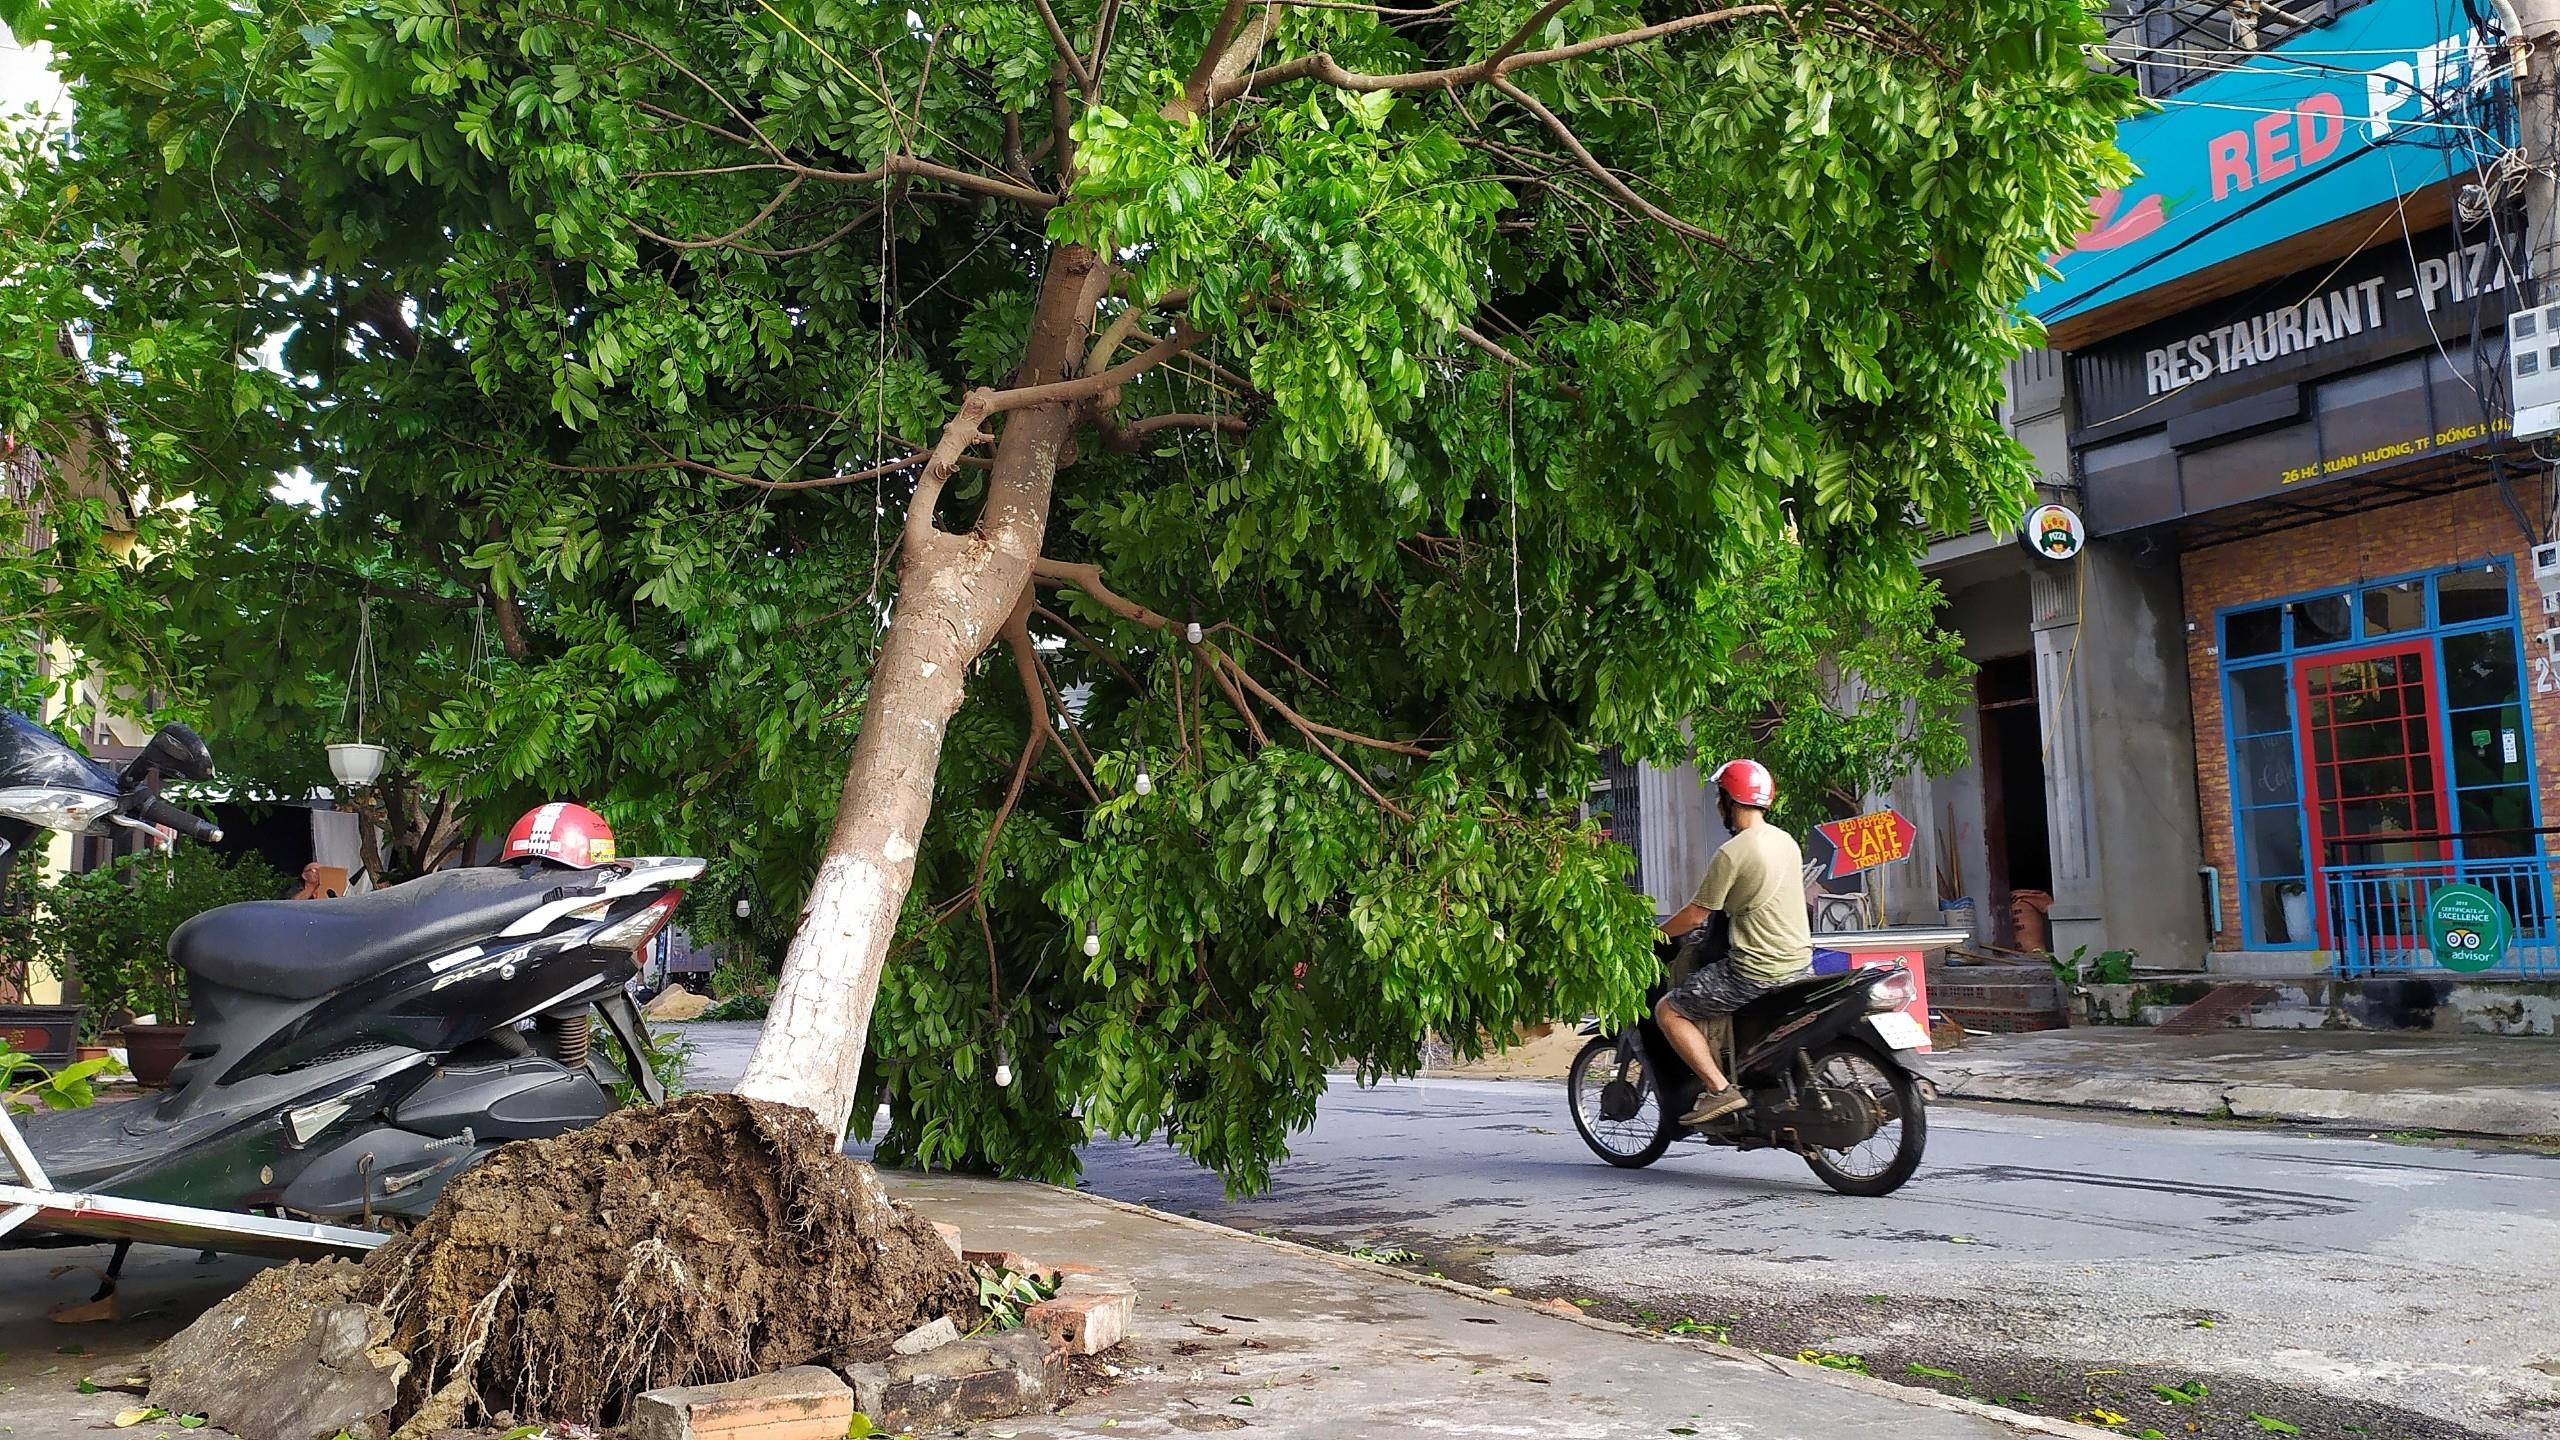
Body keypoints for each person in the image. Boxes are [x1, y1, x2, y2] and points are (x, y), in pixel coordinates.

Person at [1653, 758, 1814, 1125]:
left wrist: (1656, 935)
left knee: (1669, 1009)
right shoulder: (1785, 841)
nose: (1716, 805)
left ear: (1729, 799)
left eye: (1718, 796)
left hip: (1755, 969)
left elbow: (1696, 915)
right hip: (1800, 963)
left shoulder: (1733, 852)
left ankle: (1719, 1090)